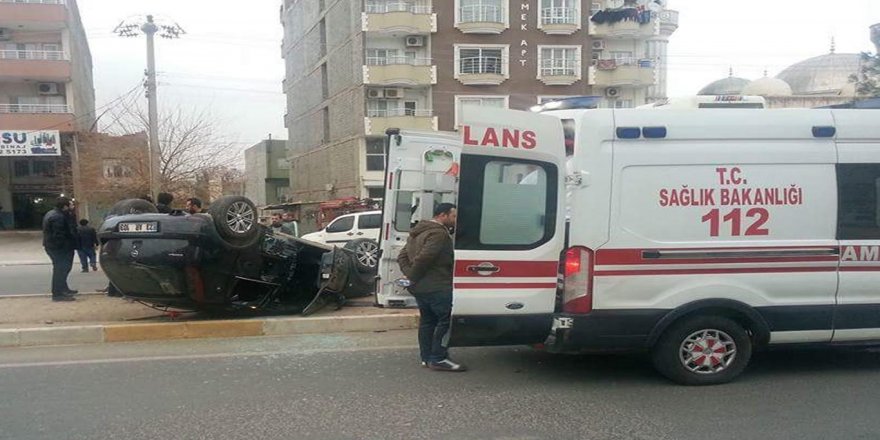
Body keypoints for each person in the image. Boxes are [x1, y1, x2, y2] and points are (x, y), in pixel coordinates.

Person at [397, 202, 465, 372]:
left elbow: (402, 256)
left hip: (421, 288)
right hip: (437, 286)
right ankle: (438, 358)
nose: (455, 220)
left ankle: (426, 357)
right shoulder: (438, 234)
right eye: (454, 216)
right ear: (443, 215)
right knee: (446, 321)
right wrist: (412, 277)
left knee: (428, 322)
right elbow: (425, 258)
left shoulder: (418, 231)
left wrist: (410, 276)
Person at [42, 197, 78, 301]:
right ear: (65, 206)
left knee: (63, 269)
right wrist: (65, 247)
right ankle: (58, 294)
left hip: (54, 247)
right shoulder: (58, 217)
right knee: (60, 270)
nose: (73, 206)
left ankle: (63, 289)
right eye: (71, 205)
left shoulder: (53, 214)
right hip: (59, 248)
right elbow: (59, 235)